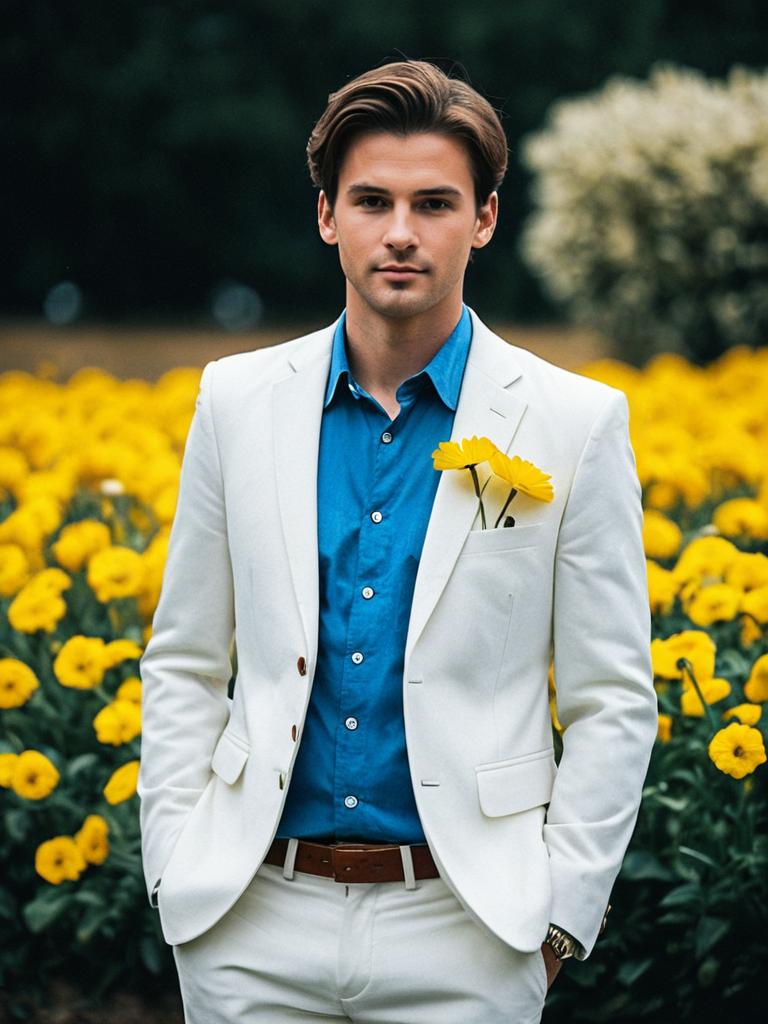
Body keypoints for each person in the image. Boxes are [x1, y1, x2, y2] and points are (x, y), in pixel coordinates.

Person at [138, 59, 658, 1023]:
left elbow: (612, 698)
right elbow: (183, 660)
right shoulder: (236, 403)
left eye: (436, 203)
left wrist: (556, 925)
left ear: (486, 219)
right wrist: (176, 877)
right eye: (372, 200)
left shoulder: (574, 422)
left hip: (468, 929)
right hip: (250, 923)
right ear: (329, 215)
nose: (402, 232)